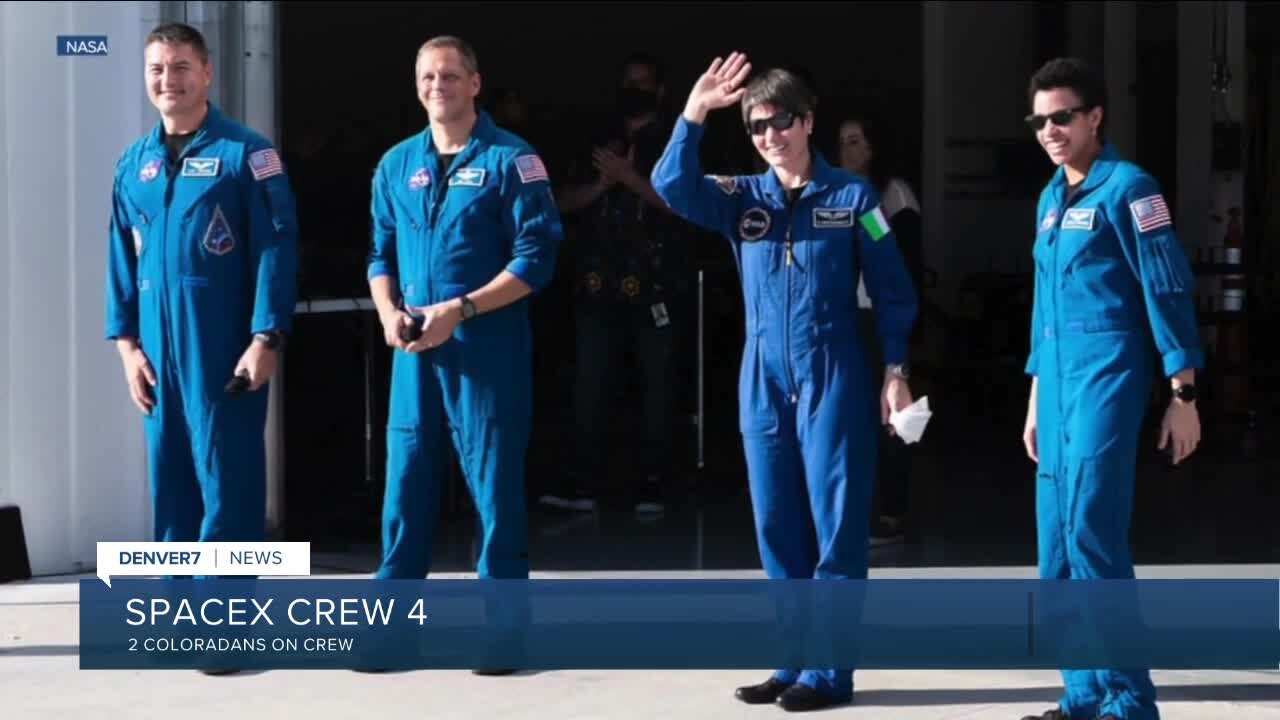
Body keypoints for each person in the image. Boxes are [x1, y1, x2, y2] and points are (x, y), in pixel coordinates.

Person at [651, 53, 918, 712]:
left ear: (808, 121)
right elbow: (669, 186)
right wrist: (693, 112)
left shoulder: (856, 200)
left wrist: (896, 370)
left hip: (834, 374)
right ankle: (792, 660)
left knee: (836, 528)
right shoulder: (741, 198)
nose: (770, 136)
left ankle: (829, 675)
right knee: (776, 524)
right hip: (762, 375)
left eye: (780, 122)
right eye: (756, 126)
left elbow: (894, 292)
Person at [365, 35, 562, 654]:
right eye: (426, 76)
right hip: (415, 357)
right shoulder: (397, 164)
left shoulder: (513, 160)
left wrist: (464, 308)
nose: (436, 87)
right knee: (406, 489)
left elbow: (538, 260)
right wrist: (386, 311)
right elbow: (379, 251)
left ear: (475, 83)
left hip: (486, 353)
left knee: (495, 493)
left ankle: (503, 630)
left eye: (449, 76)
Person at [1020, 57, 1202, 720]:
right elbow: (1044, 304)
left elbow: (1167, 286)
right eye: (1039, 121)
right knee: (1056, 548)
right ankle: (1083, 695)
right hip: (1059, 388)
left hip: (1109, 377)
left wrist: (1183, 394)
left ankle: (1129, 701)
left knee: (1093, 531)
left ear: (1095, 116)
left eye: (1062, 117)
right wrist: (1036, 396)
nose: (1050, 130)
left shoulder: (1131, 189)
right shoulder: (1049, 198)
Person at [104, 23, 298, 563]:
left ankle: (228, 623)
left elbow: (276, 249)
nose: (170, 80)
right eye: (158, 69)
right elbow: (121, 257)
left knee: (227, 483)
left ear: (207, 73)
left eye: (182, 67)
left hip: (221, 346)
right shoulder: (132, 166)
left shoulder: (247, 156)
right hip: (157, 355)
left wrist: (266, 338)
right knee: (170, 485)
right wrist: (127, 348)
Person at [541, 52, 687, 514]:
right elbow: (556, 201)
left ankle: (656, 482)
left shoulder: (675, 143)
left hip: (656, 287)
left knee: (658, 387)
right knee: (590, 384)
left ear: (661, 91)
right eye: (628, 82)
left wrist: (630, 178)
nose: (634, 90)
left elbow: (687, 204)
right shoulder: (595, 143)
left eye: (643, 83)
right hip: (596, 283)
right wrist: (601, 187)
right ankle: (583, 482)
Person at [836, 112, 924, 545]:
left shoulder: (888, 196)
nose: (846, 150)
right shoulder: (831, 194)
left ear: (872, 148)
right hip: (846, 320)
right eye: (840, 142)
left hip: (885, 320)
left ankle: (894, 508)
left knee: (900, 419)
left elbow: (897, 256)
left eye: (854, 141)